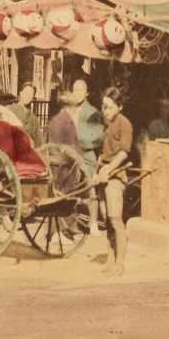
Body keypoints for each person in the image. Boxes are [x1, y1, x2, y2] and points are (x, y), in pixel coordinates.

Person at [94, 86, 133, 276]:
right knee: (107, 221)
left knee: (116, 219)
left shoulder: (124, 123)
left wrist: (110, 168)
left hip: (116, 176)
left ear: (119, 106)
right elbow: (104, 153)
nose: (105, 110)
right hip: (103, 175)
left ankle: (120, 262)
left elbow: (124, 152)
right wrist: (99, 168)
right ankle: (110, 259)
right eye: (103, 106)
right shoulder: (108, 124)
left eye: (109, 107)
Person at [74, 80, 105, 230]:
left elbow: (98, 137)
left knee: (91, 188)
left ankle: (93, 224)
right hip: (71, 153)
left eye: (81, 90)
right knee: (67, 188)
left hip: (87, 154)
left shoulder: (93, 112)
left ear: (86, 93)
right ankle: (70, 223)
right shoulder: (69, 110)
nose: (77, 93)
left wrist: (81, 141)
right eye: (75, 90)